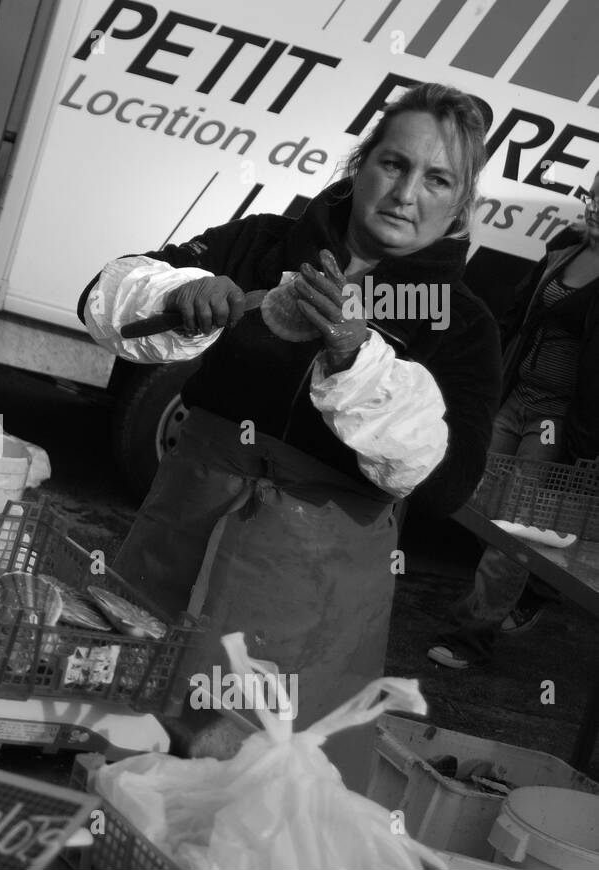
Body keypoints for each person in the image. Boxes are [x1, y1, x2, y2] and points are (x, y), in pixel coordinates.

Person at [78, 83, 502, 792]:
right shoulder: (262, 244)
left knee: (243, 802)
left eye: (437, 180)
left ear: (460, 204)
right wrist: (176, 296)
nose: (406, 194)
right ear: (360, 164)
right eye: (394, 165)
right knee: (113, 756)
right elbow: (106, 296)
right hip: (171, 555)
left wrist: (357, 364)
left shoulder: (462, 324)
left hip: (308, 608)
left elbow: (446, 487)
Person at [429, 174, 599, 669]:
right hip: (515, 398)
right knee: (471, 498)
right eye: (592, 194)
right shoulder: (565, 248)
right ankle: (538, 585)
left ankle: (470, 637)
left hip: (555, 423)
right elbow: (513, 316)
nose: (593, 207)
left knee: (514, 529)